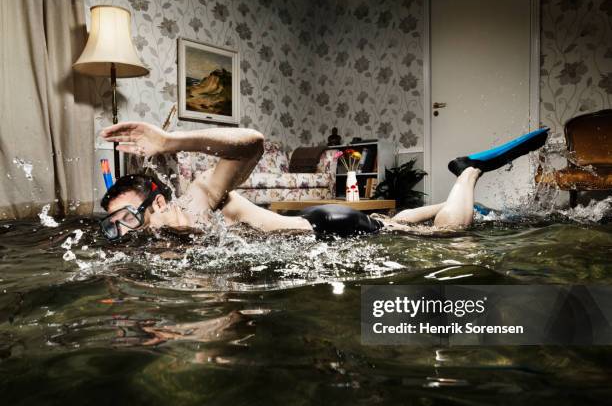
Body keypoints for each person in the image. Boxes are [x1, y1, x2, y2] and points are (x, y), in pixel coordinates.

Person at [99, 122, 548, 241]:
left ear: (155, 204)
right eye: (110, 224)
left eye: (122, 219)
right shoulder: (150, 239)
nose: (117, 231)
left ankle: (469, 170)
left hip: (329, 230)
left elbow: (251, 143)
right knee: (402, 226)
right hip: (318, 226)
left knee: (450, 235)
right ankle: (475, 208)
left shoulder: (196, 201)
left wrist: (172, 141)